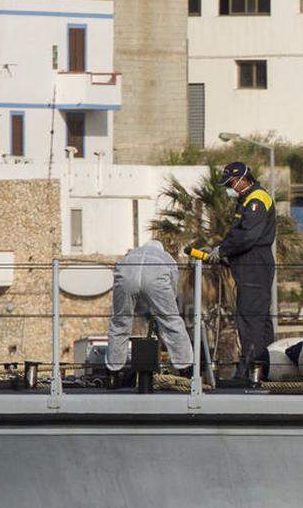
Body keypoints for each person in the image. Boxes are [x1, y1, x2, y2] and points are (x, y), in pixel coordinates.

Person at [196, 162, 276, 381]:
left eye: (231, 183)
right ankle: (265, 370)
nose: (230, 188)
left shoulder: (257, 199)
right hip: (248, 264)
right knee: (259, 318)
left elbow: (248, 236)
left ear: (243, 178)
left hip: (255, 264)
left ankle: (251, 372)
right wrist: (220, 251)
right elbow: (238, 234)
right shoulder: (247, 199)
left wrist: (223, 250)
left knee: (250, 317)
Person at [106, 241, 194, 378]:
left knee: (120, 322)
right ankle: (185, 368)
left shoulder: (130, 255)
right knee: (171, 321)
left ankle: (113, 371)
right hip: (156, 277)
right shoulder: (166, 257)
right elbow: (173, 287)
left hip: (126, 274)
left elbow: (119, 276)